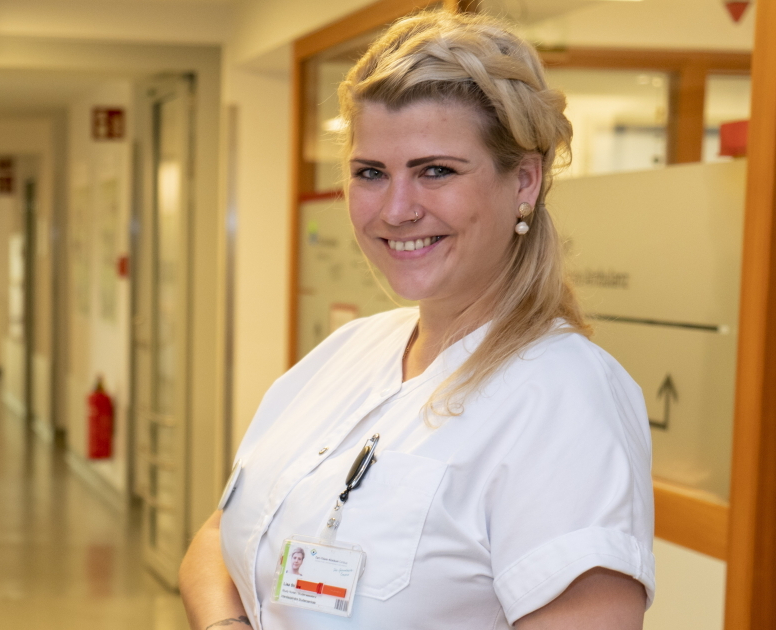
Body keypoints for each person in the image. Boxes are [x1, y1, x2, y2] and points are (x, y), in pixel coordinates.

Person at [180, 10, 654, 630]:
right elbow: (219, 535)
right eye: (371, 173)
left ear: (525, 181)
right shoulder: (349, 352)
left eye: (436, 171)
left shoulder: (564, 398)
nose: (397, 209)